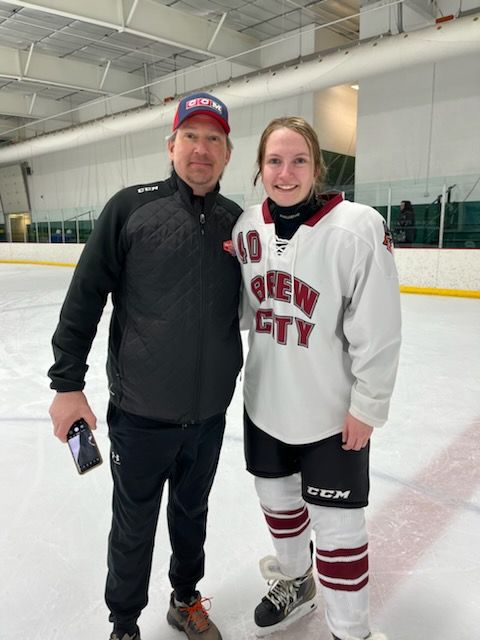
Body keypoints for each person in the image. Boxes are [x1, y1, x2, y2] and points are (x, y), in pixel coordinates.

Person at [48, 92, 243, 640]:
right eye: (191, 137)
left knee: (192, 515)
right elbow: (84, 297)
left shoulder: (239, 223)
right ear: (171, 145)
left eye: (214, 140)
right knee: (133, 527)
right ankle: (125, 624)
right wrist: (67, 384)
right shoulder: (131, 207)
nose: (201, 149)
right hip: (140, 414)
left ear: (227, 154)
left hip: (207, 416)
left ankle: (185, 600)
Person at [232, 117, 401, 640]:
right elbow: (239, 312)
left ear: (317, 167)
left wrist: (368, 405)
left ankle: (351, 631)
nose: (286, 172)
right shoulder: (244, 229)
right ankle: (295, 582)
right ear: (260, 170)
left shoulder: (358, 226)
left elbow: (379, 327)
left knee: (340, 529)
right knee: (278, 504)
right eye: (275, 161)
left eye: (298, 160)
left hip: (332, 413)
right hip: (265, 403)